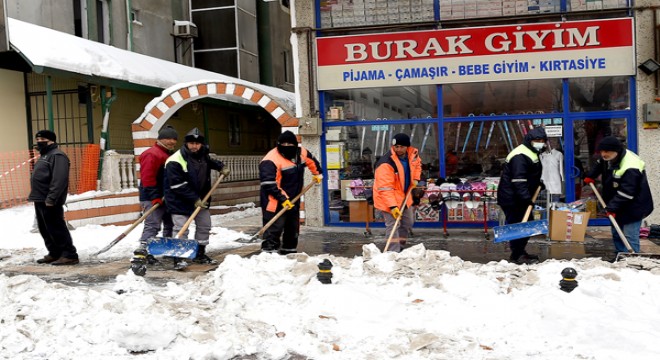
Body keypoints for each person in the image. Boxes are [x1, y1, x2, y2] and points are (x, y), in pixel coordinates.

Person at [164, 128, 229, 267]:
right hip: (180, 201)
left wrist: (221, 167)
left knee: (204, 226)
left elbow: (210, 162)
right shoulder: (175, 160)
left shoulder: (202, 155)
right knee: (181, 228)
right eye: (192, 143)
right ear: (186, 143)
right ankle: (179, 257)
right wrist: (195, 199)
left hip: (201, 199)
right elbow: (177, 185)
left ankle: (199, 253)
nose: (195, 146)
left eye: (197, 143)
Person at [584, 136, 653, 259]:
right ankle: (620, 256)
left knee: (629, 235)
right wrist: (591, 176)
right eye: (601, 151)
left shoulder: (631, 165)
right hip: (617, 202)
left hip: (634, 205)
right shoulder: (609, 156)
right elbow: (600, 164)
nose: (603, 154)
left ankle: (632, 260)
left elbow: (627, 192)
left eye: (606, 152)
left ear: (615, 150)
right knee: (617, 232)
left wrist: (611, 207)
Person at [259, 130, 322, 254]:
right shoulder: (270, 160)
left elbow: (312, 161)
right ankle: (269, 253)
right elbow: (269, 184)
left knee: (292, 226)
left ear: (295, 145)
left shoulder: (301, 153)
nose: (287, 147)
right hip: (274, 199)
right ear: (279, 145)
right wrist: (283, 199)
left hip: (293, 197)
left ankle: (289, 251)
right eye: (284, 145)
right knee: (275, 227)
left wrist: (317, 174)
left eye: (290, 145)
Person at [28, 130, 79, 265]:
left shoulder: (57, 156)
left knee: (56, 227)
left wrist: (52, 198)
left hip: (50, 200)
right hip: (40, 198)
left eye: (43, 139)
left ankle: (69, 254)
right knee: (45, 228)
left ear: (52, 141)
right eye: (38, 139)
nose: (39, 142)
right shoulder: (45, 155)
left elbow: (59, 179)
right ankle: (55, 252)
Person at [497, 127, 547, 265]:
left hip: (519, 197)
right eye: (537, 140)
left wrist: (537, 184)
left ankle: (519, 252)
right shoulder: (520, 155)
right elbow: (518, 180)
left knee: (526, 225)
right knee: (519, 226)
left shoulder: (531, 152)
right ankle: (517, 255)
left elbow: (528, 175)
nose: (540, 143)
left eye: (542, 141)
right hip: (513, 199)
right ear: (530, 140)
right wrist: (526, 199)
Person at [373, 133, 422, 252]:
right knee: (393, 226)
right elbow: (385, 188)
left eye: (401, 147)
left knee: (407, 223)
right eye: (396, 146)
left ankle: (400, 247)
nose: (398, 149)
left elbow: (417, 165)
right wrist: (393, 206)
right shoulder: (386, 163)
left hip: (405, 196)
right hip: (388, 199)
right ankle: (392, 252)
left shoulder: (412, 155)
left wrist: (416, 178)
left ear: (407, 147)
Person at [134, 125, 178, 260]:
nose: (171, 141)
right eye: (167, 138)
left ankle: (167, 249)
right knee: (153, 224)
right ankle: (144, 251)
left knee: (170, 224)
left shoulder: (167, 154)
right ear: (160, 139)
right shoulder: (152, 154)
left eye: (174, 139)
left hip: (166, 197)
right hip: (152, 197)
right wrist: (154, 197)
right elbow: (147, 177)